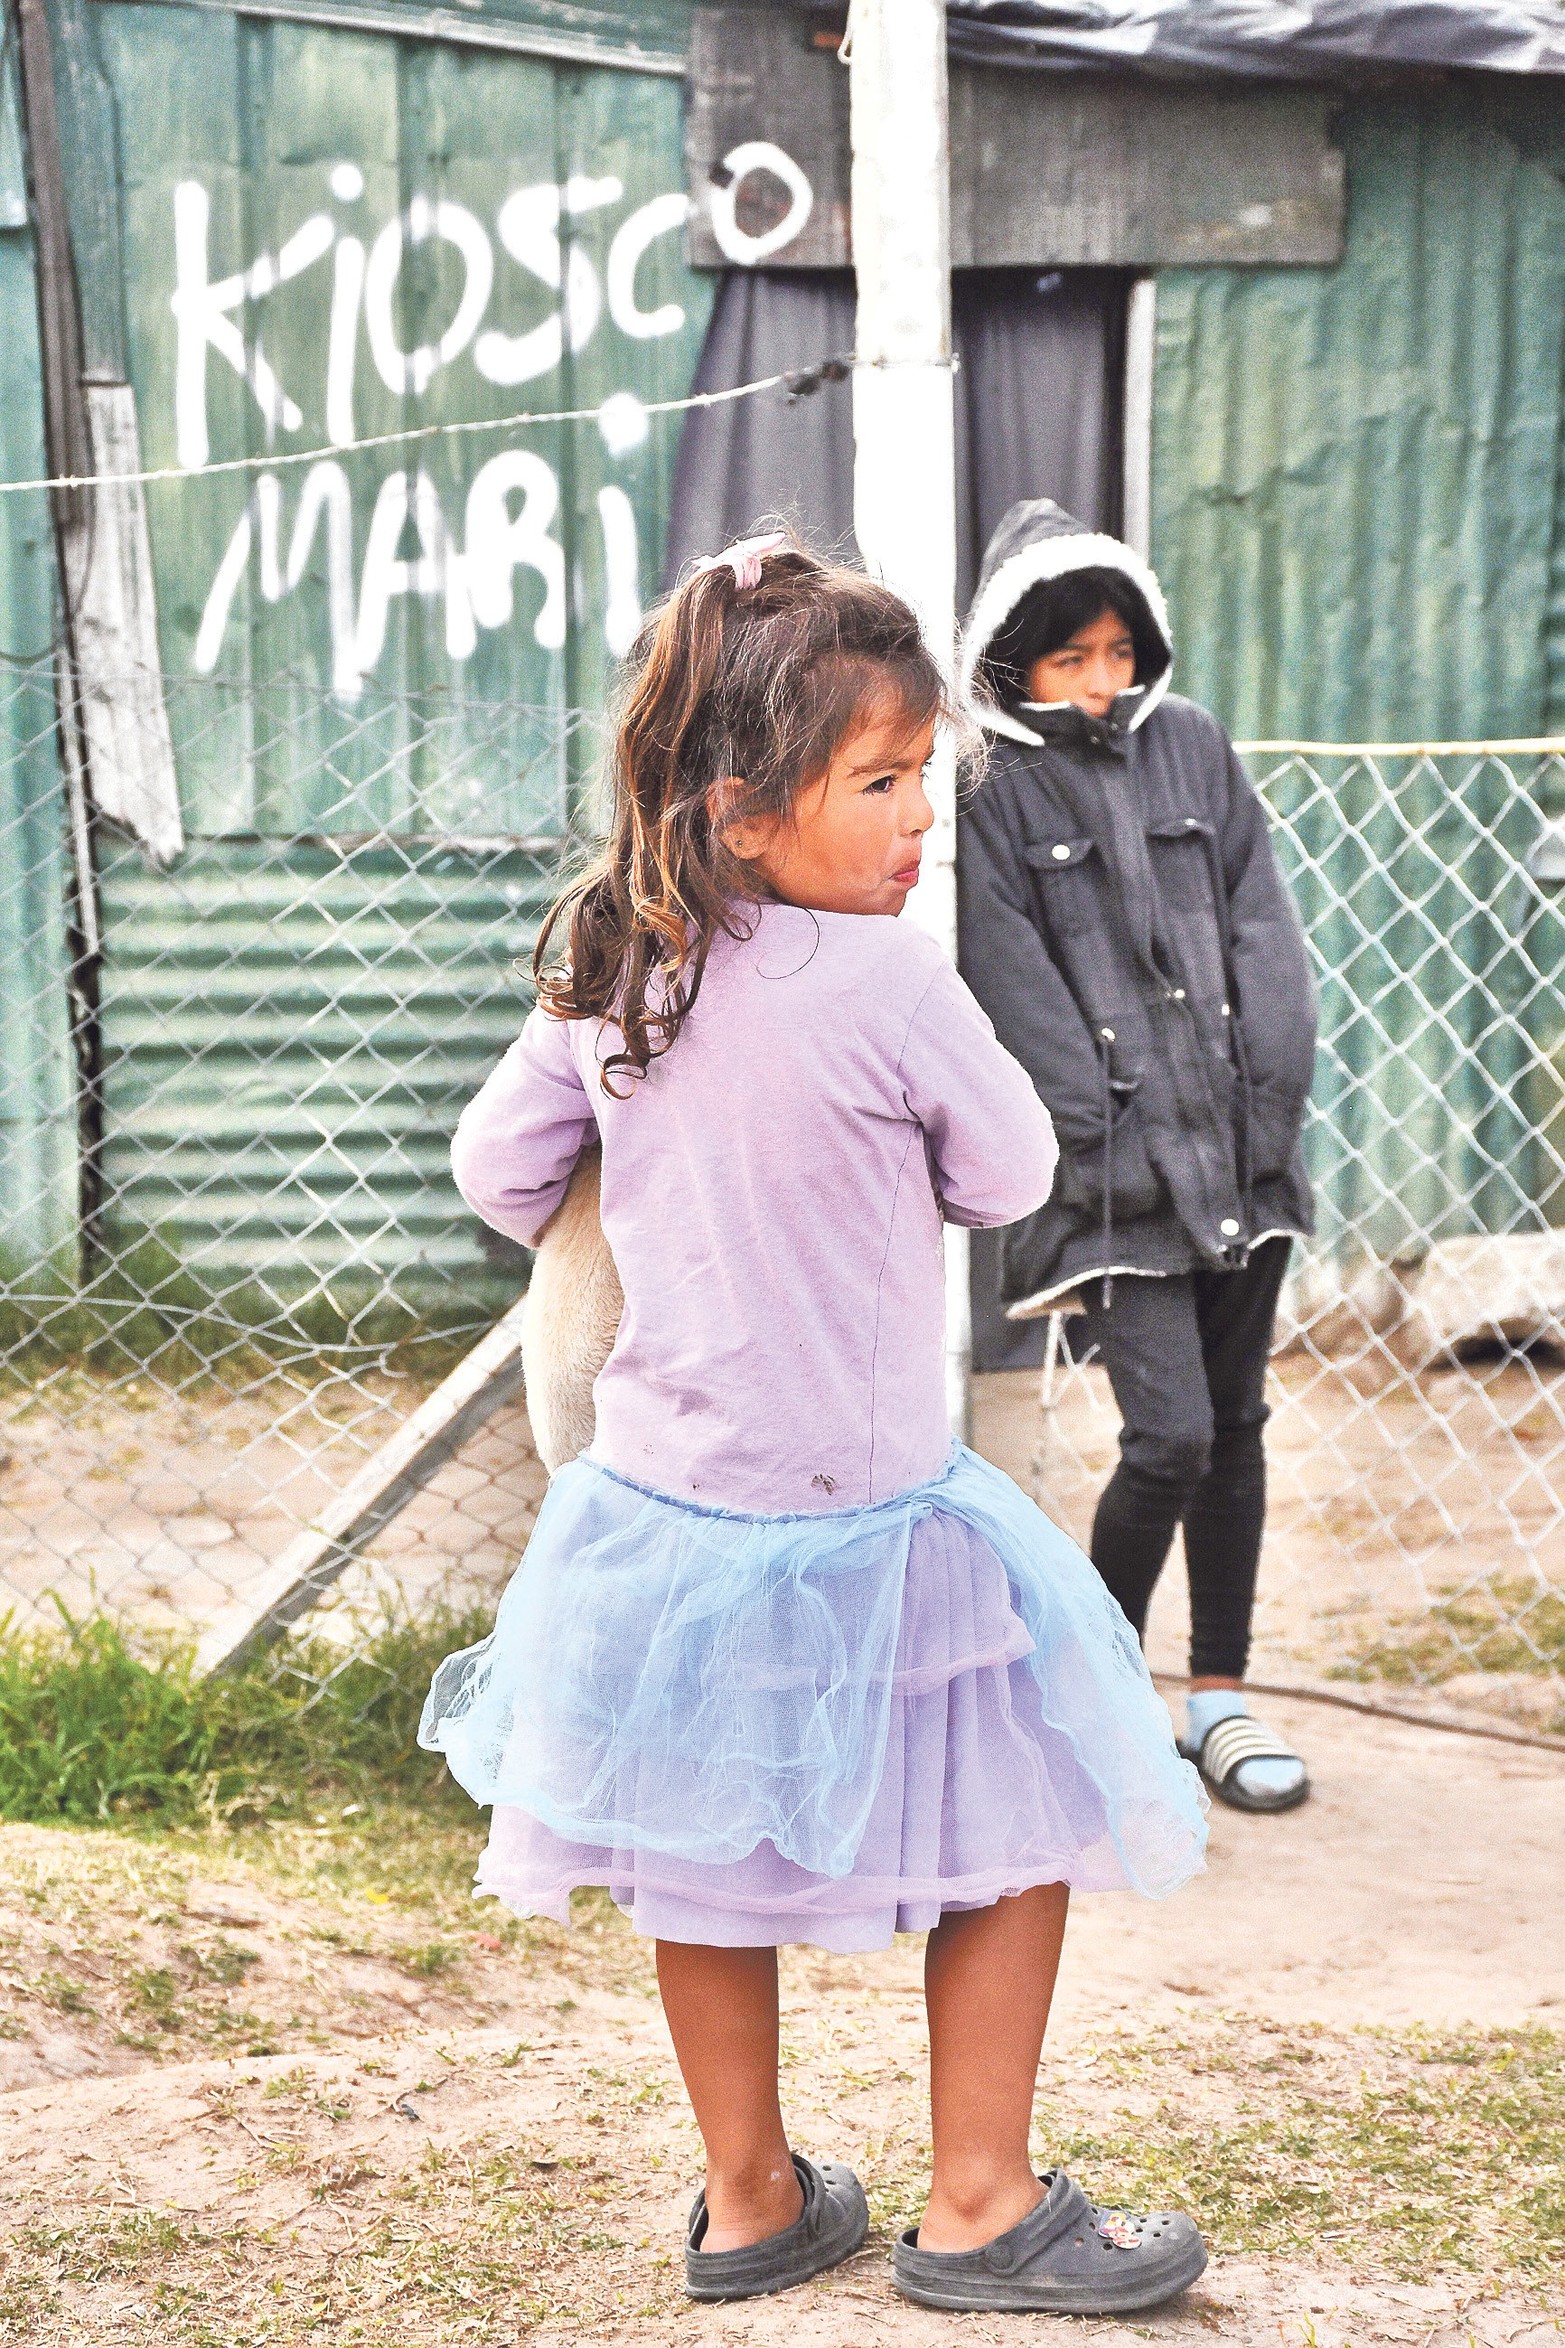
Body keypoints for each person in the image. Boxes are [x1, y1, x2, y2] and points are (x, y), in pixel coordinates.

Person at [419, 532, 1210, 2315]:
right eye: (882, 781)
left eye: (923, 773)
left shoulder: (619, 981)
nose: (919, 816)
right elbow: (1009, 1168)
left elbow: (496, 1169)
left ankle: (754, 2195)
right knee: (1023, 1827)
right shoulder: (893, 986)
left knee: (694, 1860)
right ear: (742, 809)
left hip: (663, 1520)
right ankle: (979, 2199)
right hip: (879, 1515)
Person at [958, 498, 1318, 1816]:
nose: (1101, 683)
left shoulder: (1196, 752)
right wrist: (1090, 1141)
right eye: (1071, 659)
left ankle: (1215, 1699)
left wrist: (1266, 1114)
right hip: (1109, 1182)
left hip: (1238, 1159)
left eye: (1117, 653)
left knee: (1234, 1431)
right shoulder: (989, 794)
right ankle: (1101, 1698)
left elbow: (1262, 935)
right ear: (1015, 664)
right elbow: (1012, 984)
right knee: (1165, 1437)